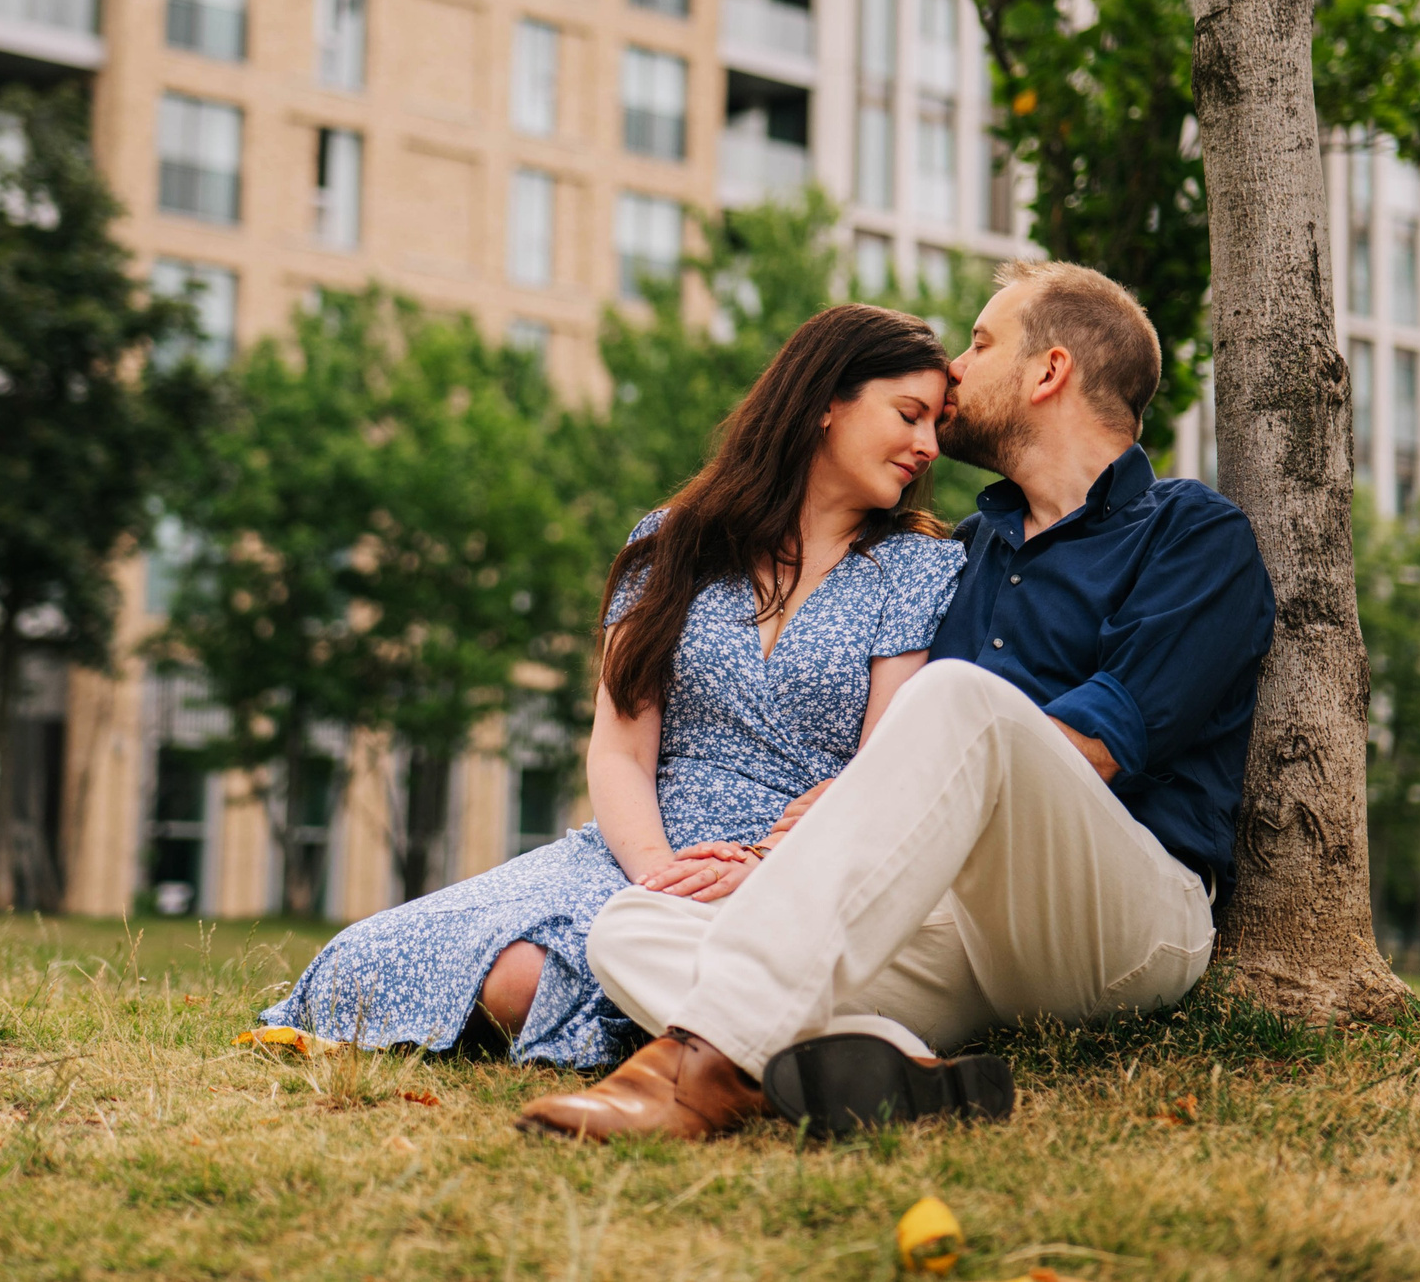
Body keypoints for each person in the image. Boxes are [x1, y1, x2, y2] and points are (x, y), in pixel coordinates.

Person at [518, 259, 1277, 1141]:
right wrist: (780, 864)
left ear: (1049, 372)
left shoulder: (1194, 532)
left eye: (981, 342)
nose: (956, 368)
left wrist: (856, 802)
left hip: (1122, 919)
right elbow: (915, 765)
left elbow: (1090, 747)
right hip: (962, 929)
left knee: (963, 700)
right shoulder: (970, 549)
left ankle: (697, 1070)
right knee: (633, 926)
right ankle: (886, 1064)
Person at [256, 304, 972, 1067]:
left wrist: (759, 861)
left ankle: (693, 1019)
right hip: (640, 848)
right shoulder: (671, 542)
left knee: (526, 978)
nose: (928, 447)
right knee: (373, 959)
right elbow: (621, 750)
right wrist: (656, 878)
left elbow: (879, 771)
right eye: (910, 415)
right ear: (827, 401)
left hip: (787, 863)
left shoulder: (918, 570)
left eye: (937, 425)